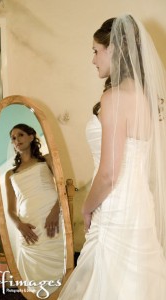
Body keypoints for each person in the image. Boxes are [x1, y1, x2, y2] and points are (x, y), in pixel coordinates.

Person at [58, 14, 166, 299]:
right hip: (140, 208)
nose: (93, 59)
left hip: (116, 210)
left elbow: (108, 174)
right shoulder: (146, 97)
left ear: (114, 49)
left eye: (96, 50)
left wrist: (86, 207)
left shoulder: (115, 98)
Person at [5, 123, 65, 296]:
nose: (17, 140)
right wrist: (19, 225)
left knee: (58, 261)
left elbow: (63, 188)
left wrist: (56, 211)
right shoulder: (11, 174)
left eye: (21, 135)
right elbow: (10, 209)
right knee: (33, 269)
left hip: (51, 217)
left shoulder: (46, 160)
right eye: (13, 138)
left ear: (32, 137)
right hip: (28, 223)